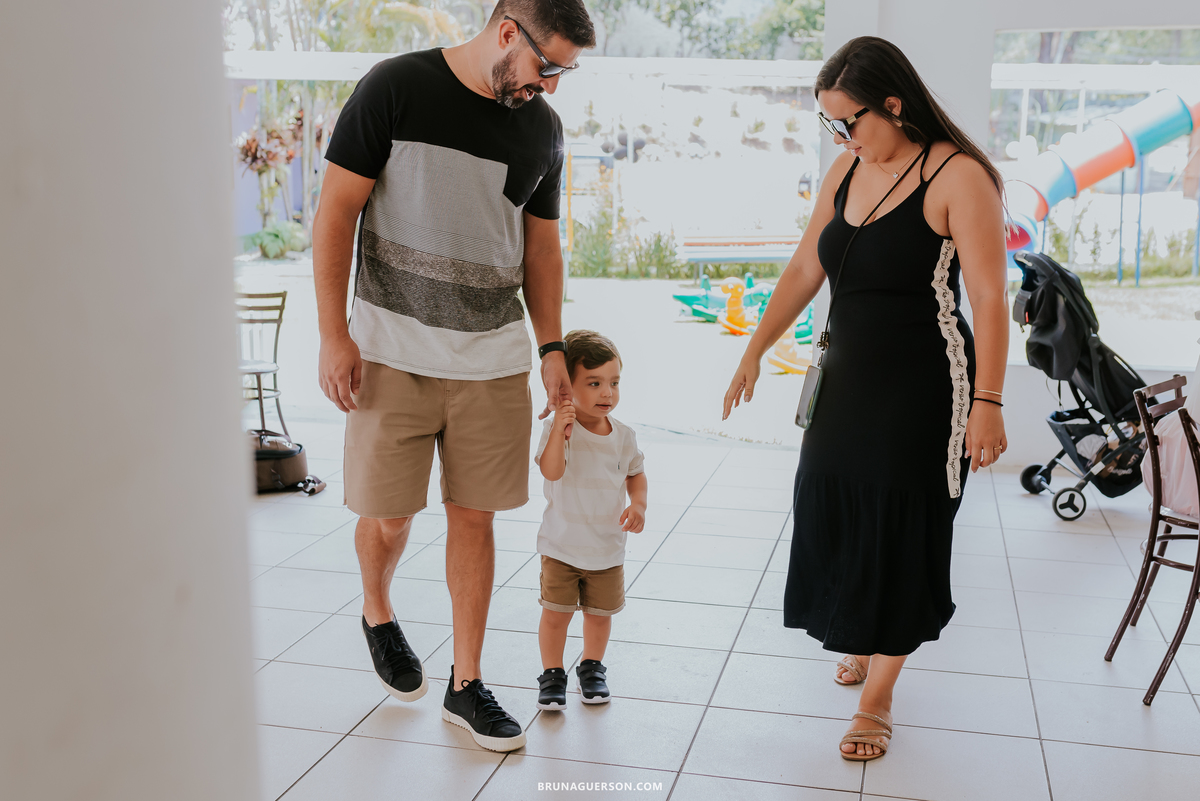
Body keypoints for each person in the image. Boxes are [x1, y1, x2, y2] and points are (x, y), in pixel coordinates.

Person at [311, 0, 595, 753]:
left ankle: (465, 684)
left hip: (491, 360)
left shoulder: (541, 129)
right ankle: (377, 607)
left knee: (475, 516)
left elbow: (542, 250)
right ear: (508, 32)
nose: (555, 85)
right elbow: (337, 210)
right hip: (391, 353)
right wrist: (332, 334)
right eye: (550, 66)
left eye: (567, 71)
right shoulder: (394, 90)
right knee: (390, 517)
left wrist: (551, 347)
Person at [722, 36, 1009, 762]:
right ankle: (863, 627)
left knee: (902, 520)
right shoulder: (847, 170)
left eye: (850, 121)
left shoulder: (958, 177)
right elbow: (800, 268)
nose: (843, 137)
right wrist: (755, 347)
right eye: (831, 125)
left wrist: (990, 400)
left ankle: (877, 696)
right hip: (845, 377)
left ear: (894, 103)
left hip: (925, 386)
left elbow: (989, 298)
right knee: (831, 499)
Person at [533, 330, 647, 710]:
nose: (607, 394)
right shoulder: (558, 431)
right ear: (568, 386)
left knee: (599, 617)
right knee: (555, 616)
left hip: (606, 550)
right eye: (594, 383)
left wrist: (639, 504)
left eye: (614, 383)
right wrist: (560, 430)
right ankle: (551, 674)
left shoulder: (624, 436)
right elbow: (551, 471)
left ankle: (592, 668)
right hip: (561, 547)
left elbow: (635, 473)